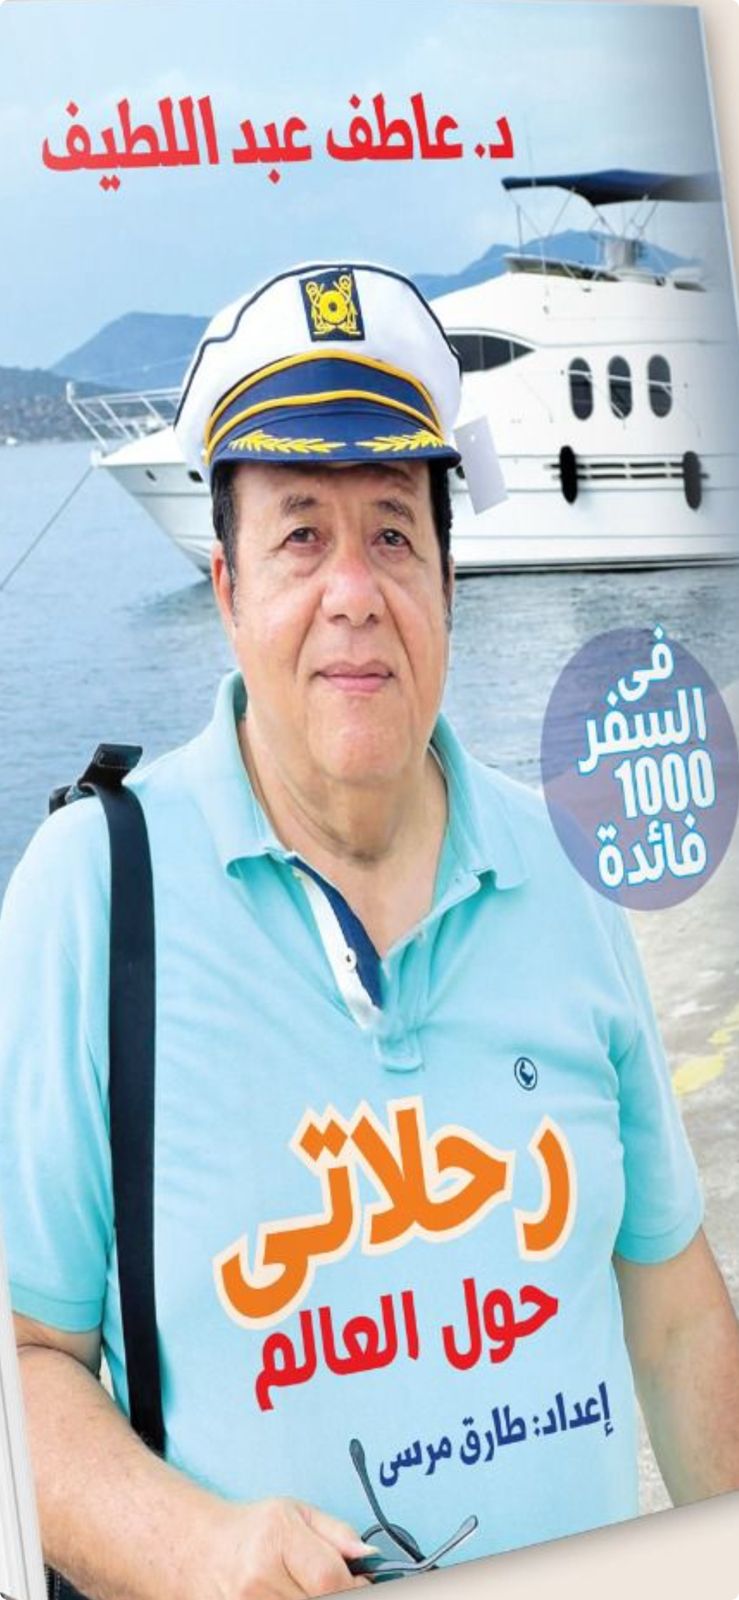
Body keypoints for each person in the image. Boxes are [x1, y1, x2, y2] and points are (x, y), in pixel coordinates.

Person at [1, 260, 738, 1600]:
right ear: (226, 589)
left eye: (394, 533)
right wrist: (196, 1547)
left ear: (450, 579)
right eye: (300, 536)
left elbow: (676, 1306)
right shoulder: (91, 896)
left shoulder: (568, 870)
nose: (354, 591)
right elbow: (28, 1359)